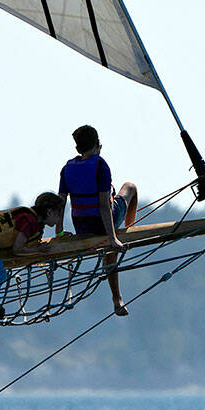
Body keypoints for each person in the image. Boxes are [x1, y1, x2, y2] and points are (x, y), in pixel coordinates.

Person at [55, 124, 138, 316]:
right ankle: (130, 230)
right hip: (102, 224)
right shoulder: (100, 165)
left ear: (77, 149)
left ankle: (117, 298)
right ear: (98, 145)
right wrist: (112, 237)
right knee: (131, 187)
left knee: (109, 248)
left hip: (82, 226)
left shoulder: (66, 168)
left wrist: (59, 232)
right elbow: (103, 205)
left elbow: (60, 203)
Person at [0, 192, 65, 317]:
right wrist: (39, 251)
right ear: (49, 212)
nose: (60, 218)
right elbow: (17, 249)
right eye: (59, 214)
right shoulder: (30, 222)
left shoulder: (33, 221)